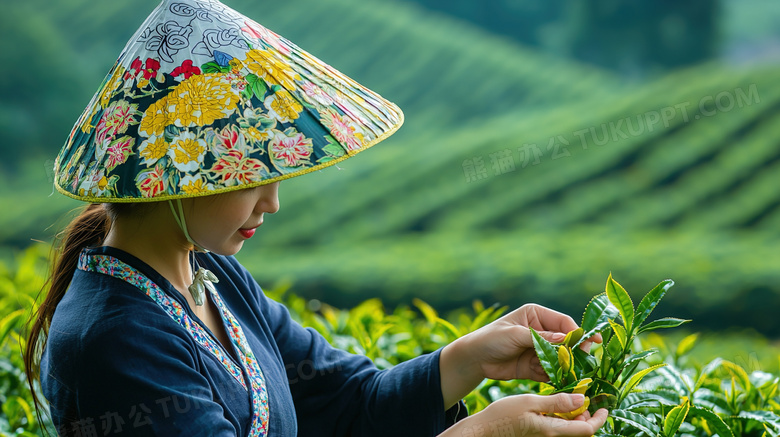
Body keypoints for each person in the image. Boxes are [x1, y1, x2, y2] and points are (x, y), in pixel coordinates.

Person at [24, 0, 608, 435]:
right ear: (182, 172)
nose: (271, 203)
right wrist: (481, 431)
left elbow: (347, 401)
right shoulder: (110, 341)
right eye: (252, 178)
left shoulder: (212, 279)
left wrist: (470, 358)